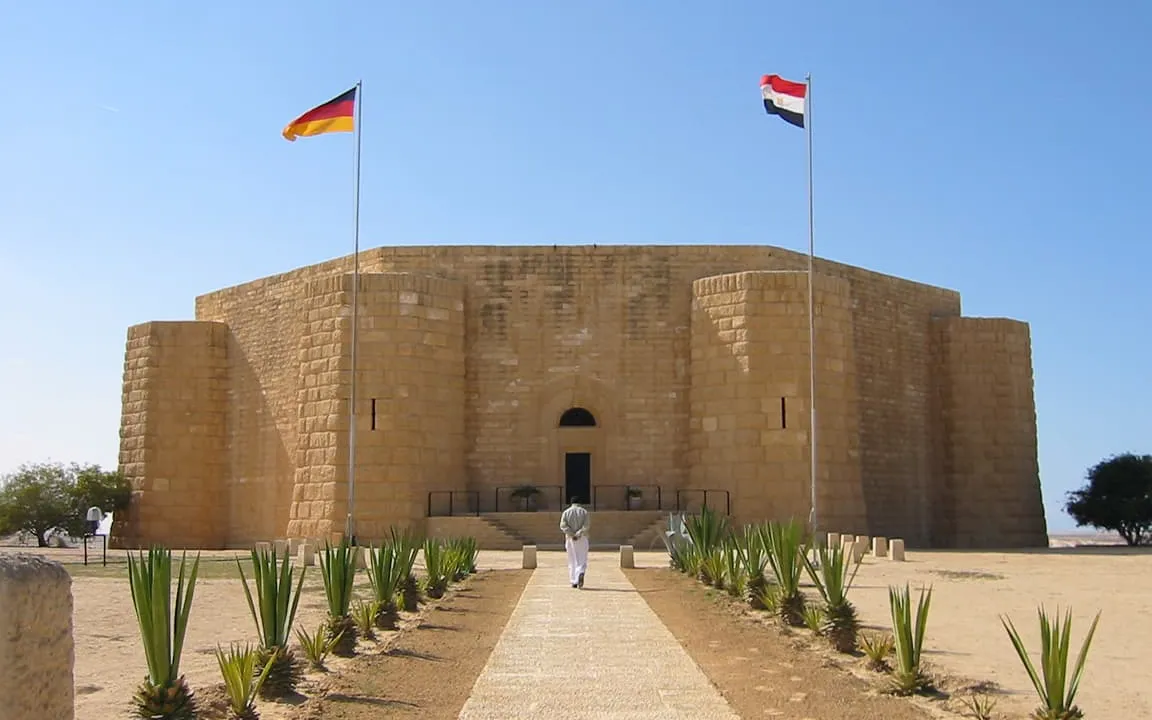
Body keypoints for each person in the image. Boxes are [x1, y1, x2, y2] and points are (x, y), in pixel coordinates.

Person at [560, 496, 590, 588]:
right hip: (582, 538)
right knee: (582, 558)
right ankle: (580, 572)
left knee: (572, 559)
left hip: (570, 538)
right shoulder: (584, 512)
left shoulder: (566, 512)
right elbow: (586, 525)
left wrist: (572, 534)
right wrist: (578, 533)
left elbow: (563, 525)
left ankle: (574, 580)